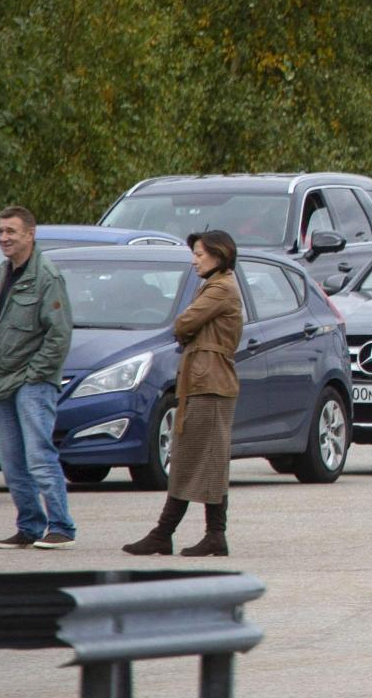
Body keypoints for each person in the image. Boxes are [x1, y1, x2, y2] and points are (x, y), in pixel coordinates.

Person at [123, 230, 243, 557]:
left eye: (200, 254)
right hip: (204, 380)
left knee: (198, 459)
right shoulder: (215, 286)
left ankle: (170, 532)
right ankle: (206, 535)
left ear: (219, 255)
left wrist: (185, 330)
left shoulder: (221, 289)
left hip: (211, 381)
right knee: (197, 458)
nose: (195, 261)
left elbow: (183, 323)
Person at [0, 206, 75, 549]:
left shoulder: (46, 276)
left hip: (32, 382)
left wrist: (35, 375)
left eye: (11, 231)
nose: (4, 238)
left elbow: (59, 334)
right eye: (1, 231)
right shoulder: (1, 272)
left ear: (30, 235)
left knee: (38, 454)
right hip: (1, 381)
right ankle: (29, 525)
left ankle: (61, 526)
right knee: (11, 461)